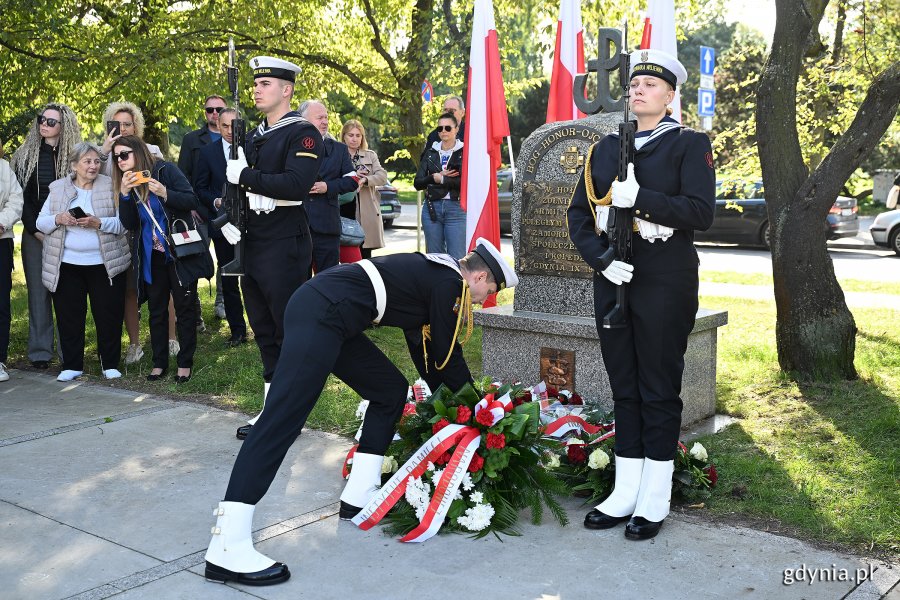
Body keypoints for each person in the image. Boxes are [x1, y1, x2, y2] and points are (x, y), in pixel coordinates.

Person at [203, 239, 518, 586]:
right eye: (489, 289)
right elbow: (448, 353)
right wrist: (475, 405)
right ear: (480, 276)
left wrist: (450, 399)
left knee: (389, 391)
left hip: (336, 314)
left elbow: (426, 350)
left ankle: (358, 495)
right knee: (280, 422)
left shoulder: (438, 275)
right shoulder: (450, 284)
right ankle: (227, 545)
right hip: (323, 312)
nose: (485, 298)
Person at [567, 49, 715, 541]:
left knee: (657, 385)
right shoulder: (606, 148)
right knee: (624, 385)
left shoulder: (689, 146)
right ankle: (625, 489)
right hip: (614, 276)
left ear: (671, 96)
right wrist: (603, 260)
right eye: (633, 84)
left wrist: (642, 200)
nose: (637, 90)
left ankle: (655, 496)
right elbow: (579, 217)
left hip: (664, 280)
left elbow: (699, 212)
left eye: (650, 85)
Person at [220, 57, 323, 440]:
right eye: (256, 83)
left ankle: (288, 415)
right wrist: (228, 217)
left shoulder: (302, 134)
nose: (257, 89)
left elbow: (296, 185)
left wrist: (247, 177)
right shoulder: (253, 135)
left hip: (284, 241)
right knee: (262, 327)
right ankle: (272, 411)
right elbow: (233, 188)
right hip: (253, 239)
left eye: (266, 83)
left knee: (286, 328)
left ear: (287, 89)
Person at [114, 136, 212, 383]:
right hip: (151, 254)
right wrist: (125, 196)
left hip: (177, 251)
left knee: (184, 307)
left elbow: (191, 200)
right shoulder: (129, 182)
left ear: (137, 152)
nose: (120, 161)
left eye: (124, 154)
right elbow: (131, 224)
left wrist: (165, 192)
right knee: (156, 309)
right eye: (116, 157)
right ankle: (159, 363)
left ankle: (185, 363)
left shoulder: (165, 170)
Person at [36, 142, 130, 382]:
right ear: (74, 165)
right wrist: (59, 218)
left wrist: (97, 223)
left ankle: (109, 363)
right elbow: (40, 223)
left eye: (97, 161)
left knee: (108, 314)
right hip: (67, 264)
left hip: (104, 264)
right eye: (87, 161)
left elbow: (124, 224)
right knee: (69, 315)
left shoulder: (111, 186)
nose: (93, 166)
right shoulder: (58, 189)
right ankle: (72, 364)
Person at [97, 101, 175, 364]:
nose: (123, 129)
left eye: (128, 124)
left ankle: (170, 338)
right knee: (130, 287)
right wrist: (106, 152)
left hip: (150, 225)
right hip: (118, 225)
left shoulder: (151, 151)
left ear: (137, 126)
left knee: (163, 283)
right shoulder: (105, 154)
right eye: (117, 125)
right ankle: (134, 344)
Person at [10, 103, 82, 370]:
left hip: (68, 230)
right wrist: (36, 230)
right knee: (38, 293)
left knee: (66, 291)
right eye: (42, 119)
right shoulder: (25, 156)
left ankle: (69, 352)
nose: (44, 125)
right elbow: (23, 201)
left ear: (64, 127)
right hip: (35, 233)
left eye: (51, 122)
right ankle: (40, 352)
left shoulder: (75, 156)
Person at [194, 108, 248, 347]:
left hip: (254, 221)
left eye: (234, 126)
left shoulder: (254, 149)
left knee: (255, 276)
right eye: (224, 126)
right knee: (228, 277)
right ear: (218, 124)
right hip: (224, 223)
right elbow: (200, 187)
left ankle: (263, 325)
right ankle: (238, 331)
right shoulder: (207, 153)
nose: (229, 131)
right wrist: (216, 201)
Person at [299, 100, 359, 273]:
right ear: (304, 120)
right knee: (298, 282)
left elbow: (352, 181)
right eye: (320, 117)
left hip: (326, 227)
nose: (325, 121)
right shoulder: (291, 146)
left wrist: (328, 186)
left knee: (328, 280)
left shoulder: (339, 149)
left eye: (326, 117)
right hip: (296, 227)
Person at [414, 112, 465, 258]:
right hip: (432, 209)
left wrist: (441, 180)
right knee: (435, 258)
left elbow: (464, 183)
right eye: (440, 128)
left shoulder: (464, 152)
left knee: (457, 258)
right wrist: (433, 177)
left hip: (456, 208)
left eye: (448, 128)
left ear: (456, 129)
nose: (443, 131)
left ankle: (456, 282)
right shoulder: (431, 152)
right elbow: (418, 183)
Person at [342, 119, 388, 260]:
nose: (354, 139)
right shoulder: (337, 154)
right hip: (343, 208)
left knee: (365, 256)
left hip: (365, 212)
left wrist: (365, 180)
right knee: (344, 253)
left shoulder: (370, 155)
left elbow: (382, 176)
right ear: (344, 136)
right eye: (351, 135)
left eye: (358, 135)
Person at [0, 138, 24, 382]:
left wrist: (2, 222)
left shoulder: (4, 169)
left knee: (0, 303)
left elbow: (16, 201)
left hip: (0, 240)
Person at [178, 94, 228, 188]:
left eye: (219, 109)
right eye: (210, 110)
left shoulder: (238, 139)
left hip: (232, 198)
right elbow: (183, 175)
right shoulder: (190, 139)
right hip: (200, 199)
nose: (214, 112)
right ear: (205, 113)